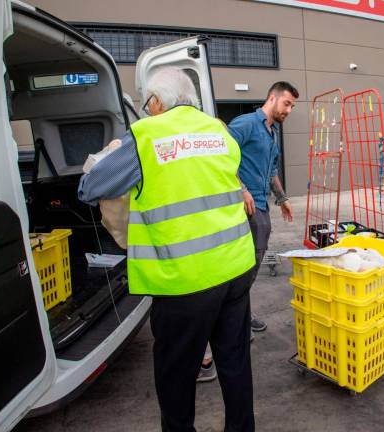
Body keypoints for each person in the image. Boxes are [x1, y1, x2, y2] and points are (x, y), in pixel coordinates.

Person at [78, 67, 256, 432]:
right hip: (236, 269)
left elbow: (90, 187)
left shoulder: (147, 136)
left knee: (176, 378)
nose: (146, 110)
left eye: (147, 103)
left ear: (156, 101)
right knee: (235, 365)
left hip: (184, 281)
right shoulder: (219, 130)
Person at [227, 82, 298, 333]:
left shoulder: (272, 133)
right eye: (286, 103)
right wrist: (241, 188)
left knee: (252, 263)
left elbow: (271, 172)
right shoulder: (245, 124)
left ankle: (239, 313)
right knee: (246, 264)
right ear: (272, 98)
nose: (289, 110)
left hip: (261, 203)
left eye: (292, 106)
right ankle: (235, 318)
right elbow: (221, 155)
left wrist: (282, 199)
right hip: (243, 205)